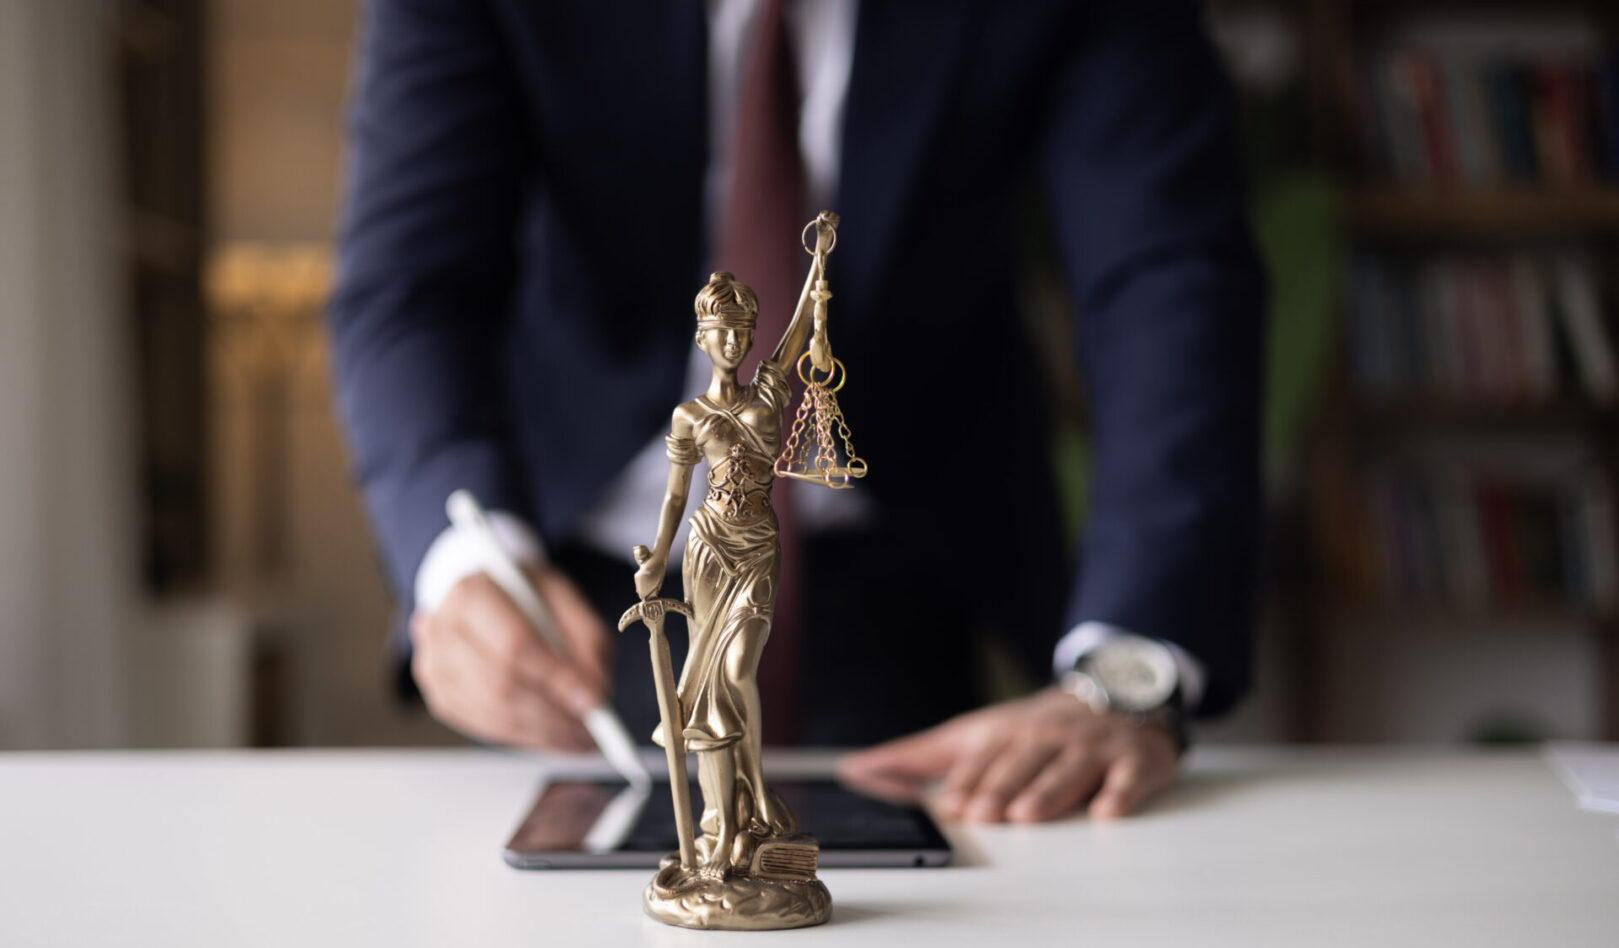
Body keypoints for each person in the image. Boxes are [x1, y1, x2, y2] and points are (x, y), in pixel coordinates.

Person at [329, 0, 1266, 825]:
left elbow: (1166, 276)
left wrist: (1135, 665)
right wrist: (461, 557)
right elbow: (407, 288)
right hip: (573, 594)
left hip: (897, 577)